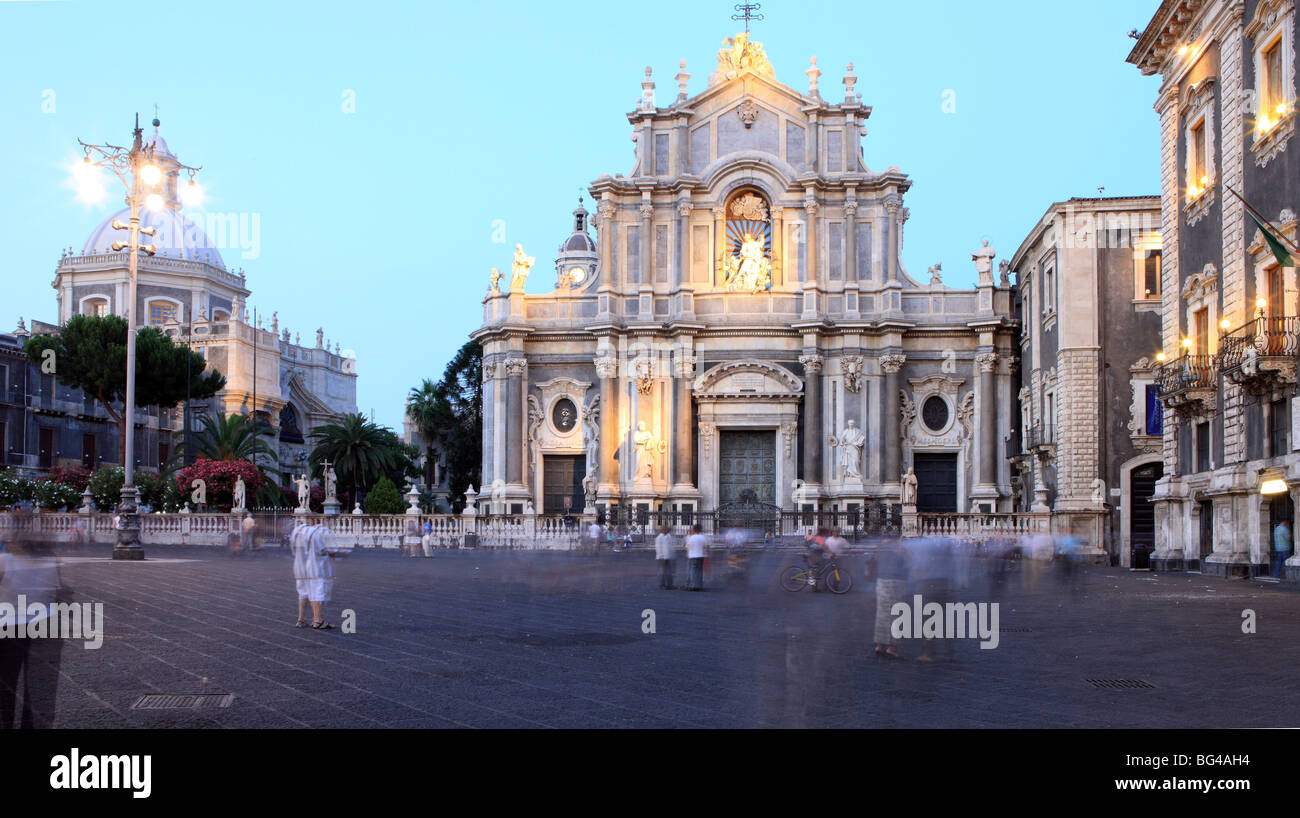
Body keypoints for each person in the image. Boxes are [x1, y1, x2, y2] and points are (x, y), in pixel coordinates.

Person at [0, 511, 64, 727]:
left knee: (5, 684)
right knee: (38, 686)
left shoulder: (5, 561)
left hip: (8, 626)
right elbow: (56, 591)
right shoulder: (48, 561)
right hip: (43, 625)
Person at [291, 522, 347, 630]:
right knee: (317, 593)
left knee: (303, 593)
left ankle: (301, 620)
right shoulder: (321, 533)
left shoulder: (299, 532)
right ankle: (318, 620)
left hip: (299, 567)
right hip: (315, 568)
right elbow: (331, 552)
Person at [871, 538, 908, 660]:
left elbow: (874, 560)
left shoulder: (881, 547)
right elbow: (909, 560)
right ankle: (893, 647)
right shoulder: (898, 547)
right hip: (896, 582)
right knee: (896, 614)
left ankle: (880, 645)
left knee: (881, 614)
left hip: (882, 581)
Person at [685, 524, 709, 591]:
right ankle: (699, 585)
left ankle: (693, 585)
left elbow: (687, 546)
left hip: (693, 556)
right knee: (700, 571)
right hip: (701, 556)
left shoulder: (692, 537)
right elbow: (706, 546)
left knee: (693, 571)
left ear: (694, 530)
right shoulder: (703, 537)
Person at [654, 525, 676, 589]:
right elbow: (659, 548)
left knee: (668, 571)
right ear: (663, 530)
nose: (668, 531)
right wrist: (663, 556)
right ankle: (662, 584)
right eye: (667, 530)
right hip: (662, 557)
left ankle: (669, 584)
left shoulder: (667, 536)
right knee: (662, 571)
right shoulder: (659, 538)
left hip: (667, 556)